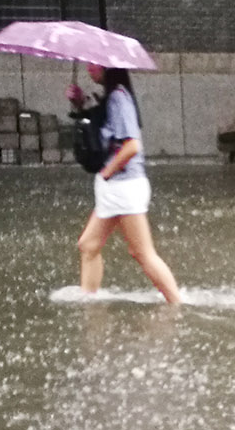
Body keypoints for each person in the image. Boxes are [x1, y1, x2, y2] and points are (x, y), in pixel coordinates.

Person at [70, 66, 182, 304]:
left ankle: (177, 304)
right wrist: (78, 104)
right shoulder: (110, 98)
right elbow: (98, 129)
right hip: (115, 187)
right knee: (89, 245)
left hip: (123, 186)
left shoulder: (118, 98)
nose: (89, 67)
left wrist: (107, 173)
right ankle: (89, 301)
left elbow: (132, 146)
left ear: (108, 66)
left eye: (94, 62)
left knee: (142, 253)